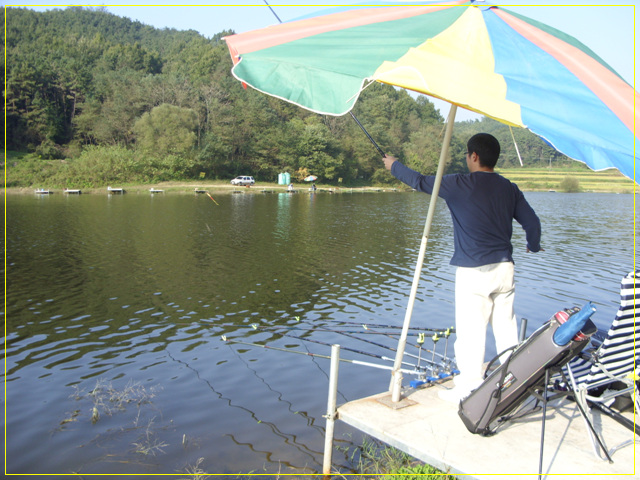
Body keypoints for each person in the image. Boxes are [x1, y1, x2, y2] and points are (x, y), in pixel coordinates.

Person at [383, 133, 542, 404]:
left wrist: (393, 165)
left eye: (468, 155)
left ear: (474, 156)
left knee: (471, 332)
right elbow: (532, 222)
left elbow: (420, 181)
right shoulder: (509, 188)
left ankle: (469, 388)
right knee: (506, 330)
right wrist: (533, 245)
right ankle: (513, 382)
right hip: (505, 269)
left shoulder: (459, 183)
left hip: (474, 272)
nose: (467, 159)